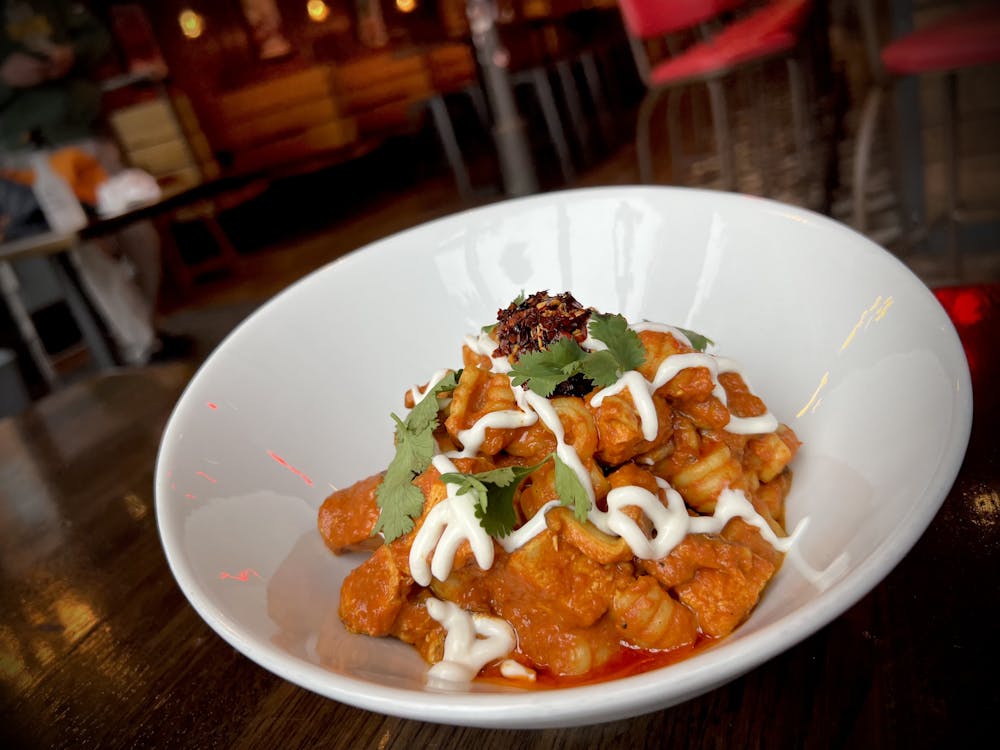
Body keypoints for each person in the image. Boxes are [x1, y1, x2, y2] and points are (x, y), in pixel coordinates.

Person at [1, 0, 190, 364]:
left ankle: (147, 328)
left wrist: (72, 53)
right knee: (87, 248)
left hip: (87, 132)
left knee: (140, 231)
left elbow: (97, 37)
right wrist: (5, 78)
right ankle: (143, 344)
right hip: (29, 153)